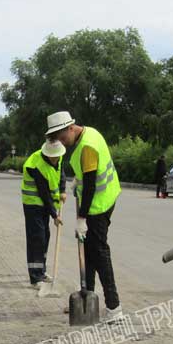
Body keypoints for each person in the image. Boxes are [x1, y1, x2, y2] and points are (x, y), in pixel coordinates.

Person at [46, 111, 123, 322]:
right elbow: (87, 177)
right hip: (103, 198)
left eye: (63, 138)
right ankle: (86, 297)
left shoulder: (86, 147)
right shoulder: (90, 133)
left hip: (98, 205)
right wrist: (77, 180)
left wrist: (82, 218)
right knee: (88, 252)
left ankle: (114, 308)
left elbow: (90, 186)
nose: (63, 143)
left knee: (99, 253)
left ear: (71, 128)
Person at [21, 140, 67, 287]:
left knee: (45, 236)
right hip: (33, 203)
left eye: (57, 157)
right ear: (47, 154)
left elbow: (61, 174)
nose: (56, 159)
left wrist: (63, 190)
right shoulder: (37, 165)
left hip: (45, 205)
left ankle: (41, 271)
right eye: (53, 157)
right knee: (37, 238)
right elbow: (44, 193)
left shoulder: (58, 157)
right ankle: (35, 278)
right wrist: (55, 215)